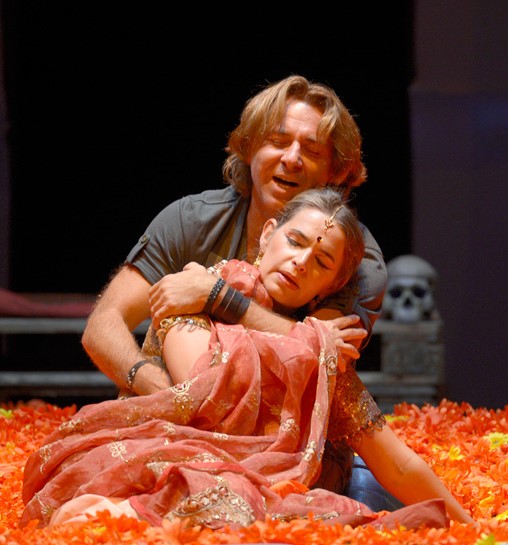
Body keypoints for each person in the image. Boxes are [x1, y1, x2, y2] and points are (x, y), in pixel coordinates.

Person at [21, 188, 475, 529]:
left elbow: (396, 462)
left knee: (250, 496)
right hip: (165, 453)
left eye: (321, 261)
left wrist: (471, 526)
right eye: (295, 241)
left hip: (248, 486)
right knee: (216, 487)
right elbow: (206, 391)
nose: (301, 261)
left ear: (330, 287)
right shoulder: (193, 293)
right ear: (268, 234)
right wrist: (237, 306)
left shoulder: (319, 354)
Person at [80, 75, 386, 508]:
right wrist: (170, 396)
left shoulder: (355, 261)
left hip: (287, 452)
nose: (291, 158)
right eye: (277, 141)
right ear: (249, 147)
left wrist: (219, 297)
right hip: (170, 425)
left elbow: (316, 354)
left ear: (336, 172)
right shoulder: (190, 220)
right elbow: (103, 325)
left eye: (312, 150)